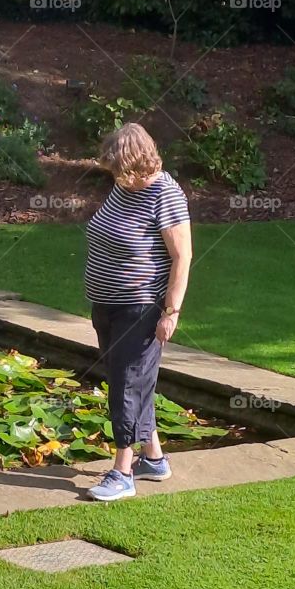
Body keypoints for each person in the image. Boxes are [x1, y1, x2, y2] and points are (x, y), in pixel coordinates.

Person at [84, 123, 193, 502]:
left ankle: (122, 472)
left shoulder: (166, 194)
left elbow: (182, 256)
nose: (117, 177)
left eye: (121, 169)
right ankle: (154, 459)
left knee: (127, 385)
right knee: (131, 381)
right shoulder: (123, 186)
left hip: (141, 307)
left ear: (140, 161)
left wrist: (171, 311)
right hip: (107, 302)